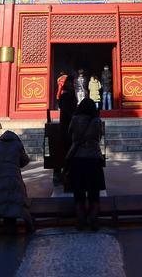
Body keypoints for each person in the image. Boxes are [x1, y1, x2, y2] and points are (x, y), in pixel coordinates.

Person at [67, 98, 105, 231]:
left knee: (79, 192)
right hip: (94, 159)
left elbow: (70, 135)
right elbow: (100, 137)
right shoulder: (97, 121)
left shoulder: (75, 119)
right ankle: (94, 220)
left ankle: (81, 220)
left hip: (78, 159)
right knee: (94, 193)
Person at [53, 77, 77, 186]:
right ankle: (65, 174)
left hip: (65, 126)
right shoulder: (68, 96)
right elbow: (68, 109)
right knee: (67, 151)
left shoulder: (66, 96)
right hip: (68, 126)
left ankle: (62, 174)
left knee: (63, 151)